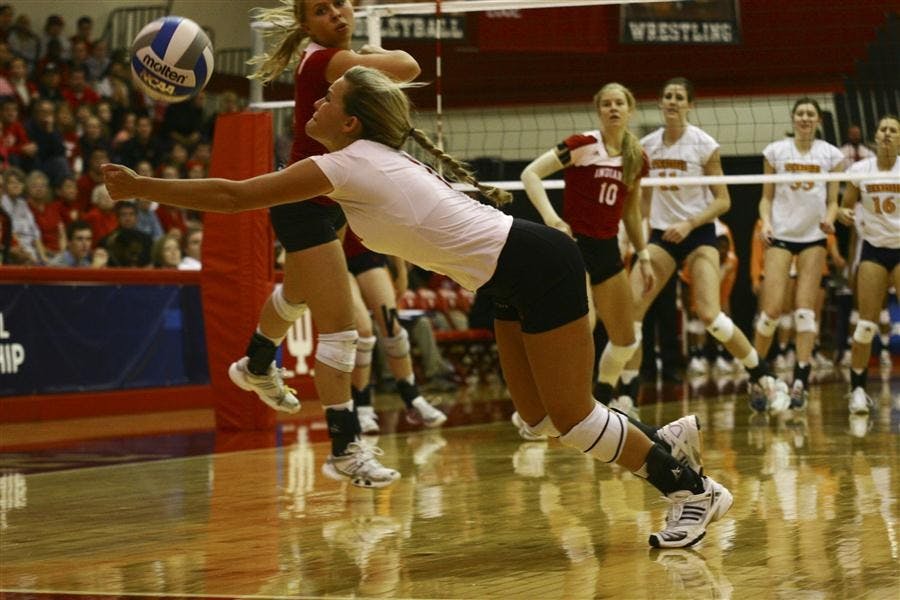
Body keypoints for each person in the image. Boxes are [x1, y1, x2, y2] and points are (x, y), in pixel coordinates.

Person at [103, 65, 733, 548]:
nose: (316, 103)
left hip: (536, 263)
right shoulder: (369, 158)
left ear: (350, 122)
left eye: (328, 99)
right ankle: (660, 441)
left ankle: (692, 491)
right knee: (537, 419)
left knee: (570, 419)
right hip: (507, 280)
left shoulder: (344, 164)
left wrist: (141, 188)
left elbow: (235, 195)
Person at [191, 0, 419, 488]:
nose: (336, 14)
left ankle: (254, 364)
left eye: (339, 4)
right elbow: (409, 67)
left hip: (330, 200)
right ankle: (345, 448)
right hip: (306, 201)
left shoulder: (330, 57)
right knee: (342, 331)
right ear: (305, 24)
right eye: (321, 10)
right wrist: (378, 51)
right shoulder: (327, 61)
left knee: (294, 297)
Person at [619, 77, 787, 412]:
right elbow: (643, 200)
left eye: (679, 97)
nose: (672, 101)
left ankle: (763, 376)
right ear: (660, 102)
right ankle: (626, 395)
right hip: (662, 237)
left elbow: (723, 200)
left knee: (710, 314)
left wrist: (690, 223)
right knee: (630, 313)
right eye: (667, 96)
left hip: (699, 235)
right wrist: (635, 238)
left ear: (690, 104)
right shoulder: (646, 145)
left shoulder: (703, 144)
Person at [520, 82, 654, 416]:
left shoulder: (636, 157)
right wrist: (551, 218)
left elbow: (632, 212)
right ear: (598, 110)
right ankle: (542, 404)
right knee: (585, 327)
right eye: (606, 103)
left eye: (619, 103)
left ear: (630, 109)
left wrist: (645, 254)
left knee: (626, 339)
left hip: (608, 249)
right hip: (575, 247)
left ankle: (603, 396)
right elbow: (530, 174)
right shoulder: (582, 145)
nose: (613, 108)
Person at [753, 98, 845, 409]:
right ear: (793, 119)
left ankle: (800, 382)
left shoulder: (831, 154)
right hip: (780, 235)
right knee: (771, 311)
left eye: (810, 114)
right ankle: (757, 377)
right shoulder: (776, 151)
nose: (805, 118)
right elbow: (765, 198)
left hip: (813, 238)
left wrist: (830, 218)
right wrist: (765, 222)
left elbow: (834, 200)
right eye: (800, 113)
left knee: (806, 310)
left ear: (818, 120)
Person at [343, 227, 448, 434]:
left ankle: (413, 399)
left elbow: (386, 220)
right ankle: (362, 406)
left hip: (366, 251)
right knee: (363, 332)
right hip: (333, 255)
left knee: (392, 328)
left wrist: (401, 272)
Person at [836, 114, 899, 414]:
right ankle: (858, 389)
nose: (887, 134)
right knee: (865, 323)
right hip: (873, 250)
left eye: (893, 130)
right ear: (876, 136)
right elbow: (843, 208)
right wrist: (843, 215)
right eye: (883, 129)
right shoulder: (861, 170)